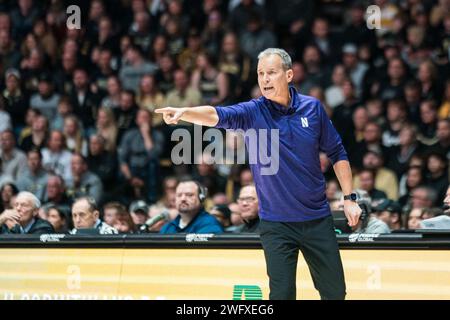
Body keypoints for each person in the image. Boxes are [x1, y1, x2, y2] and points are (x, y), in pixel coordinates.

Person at [156, 48, 362, 300]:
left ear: (288, 75)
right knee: (281, 295)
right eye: (260, 74)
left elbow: (337, 152)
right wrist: (184, 113)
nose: (264, 79)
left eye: (271, 73)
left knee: (335, 293)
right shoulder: (253, 112)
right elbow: (217, 114)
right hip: (276, 224)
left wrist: (349, 199)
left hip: (317, 219)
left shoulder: (312, 108)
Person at [160, 180, 224, 234]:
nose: (183, 199)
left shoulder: (210, 225)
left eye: (189, 195)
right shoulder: (168, 227)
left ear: (201, 199)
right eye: (179, 195)